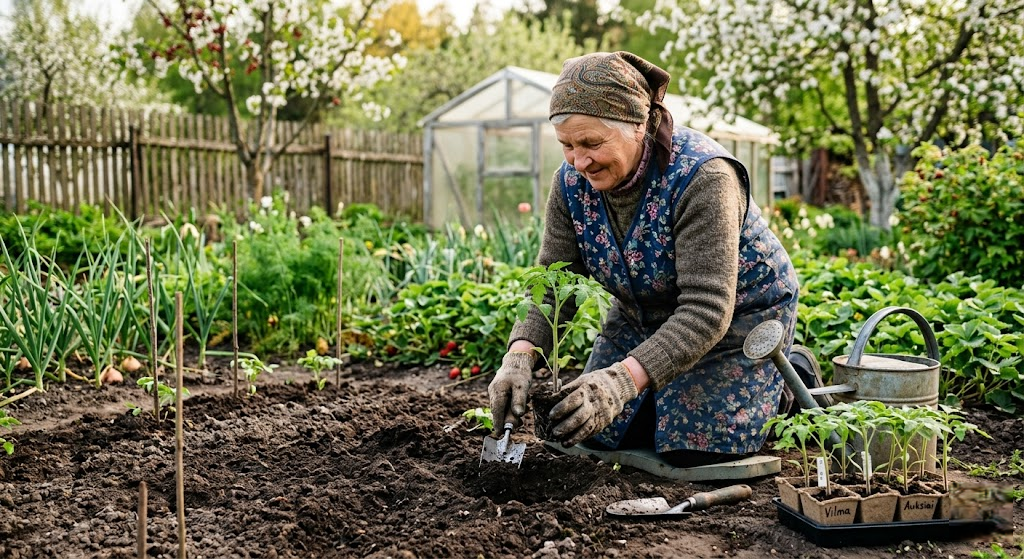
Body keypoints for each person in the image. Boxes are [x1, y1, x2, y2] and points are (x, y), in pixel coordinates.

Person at [487, 51, 801, 468]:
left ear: (639, 126)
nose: (579, 161)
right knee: (589, 433)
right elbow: (553, 283)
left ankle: (789, 379)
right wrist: (520, 355)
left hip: (736, 321)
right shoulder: (570, 183)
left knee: (691, 449)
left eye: (592, 143)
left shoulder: (703, 178)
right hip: (640, 315)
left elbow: (707, 309)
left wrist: (619, 383)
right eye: (567, 145)